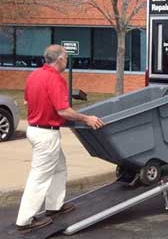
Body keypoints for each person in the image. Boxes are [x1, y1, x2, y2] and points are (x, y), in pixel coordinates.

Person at [16, 45, 104, 233]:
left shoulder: (35, 75)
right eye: (66, 58)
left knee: (60, 167)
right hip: (46, 134)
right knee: (39, 177)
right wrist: (87, 119)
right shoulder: (55, 79)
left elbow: (27, 101)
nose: (67, 61)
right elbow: (63, 110)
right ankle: (24, 220)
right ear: (59, 60)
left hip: (35, 129)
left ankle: (54, 206)